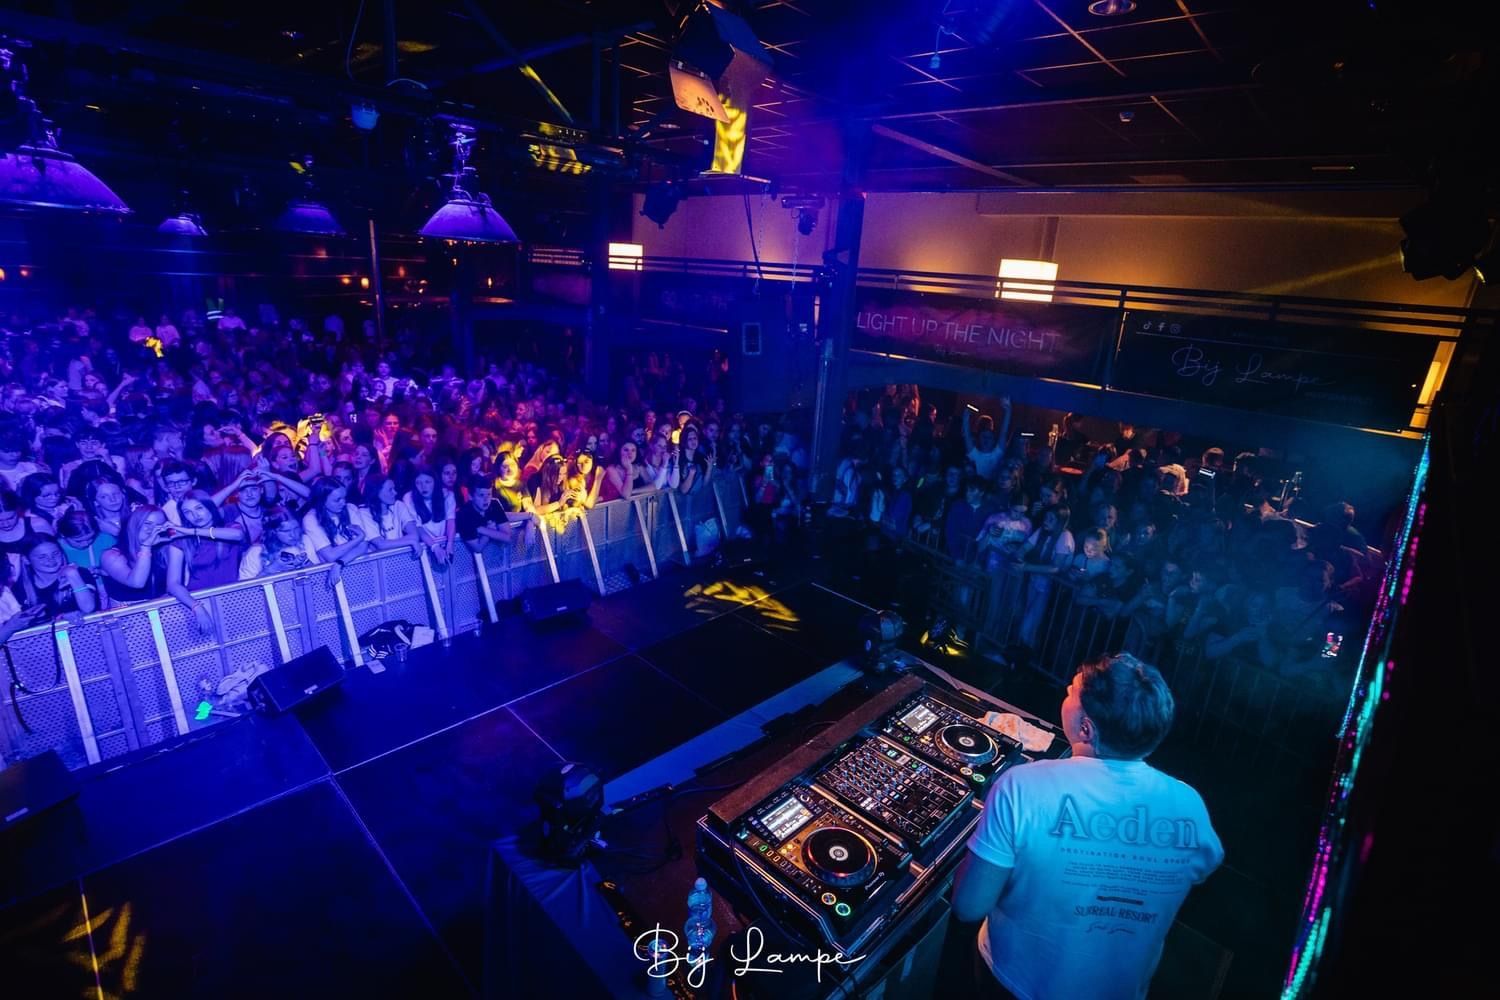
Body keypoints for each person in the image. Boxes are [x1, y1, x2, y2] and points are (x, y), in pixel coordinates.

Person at [952, 653, 1223, 1000]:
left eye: (1071, 692)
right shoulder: (1189, 805)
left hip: (1015, 983)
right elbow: (1201, 867)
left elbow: (969, 906)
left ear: (1086, 729)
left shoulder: (1022, 786)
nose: (1065, 692)